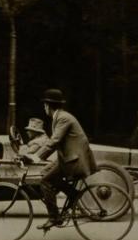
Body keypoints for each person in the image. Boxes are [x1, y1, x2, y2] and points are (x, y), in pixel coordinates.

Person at [25, 88, 97, 230]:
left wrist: (35, 156)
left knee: (45, 181)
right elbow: (53, 142)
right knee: (47, 173)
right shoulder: (60, 117)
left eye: (44, 105)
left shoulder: (63, 118)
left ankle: (54, 217)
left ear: (47, 105)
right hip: (68, 158)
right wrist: (37, 155)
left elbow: (54, 141)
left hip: (74, 160)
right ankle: (73, 194)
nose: (44, 107)